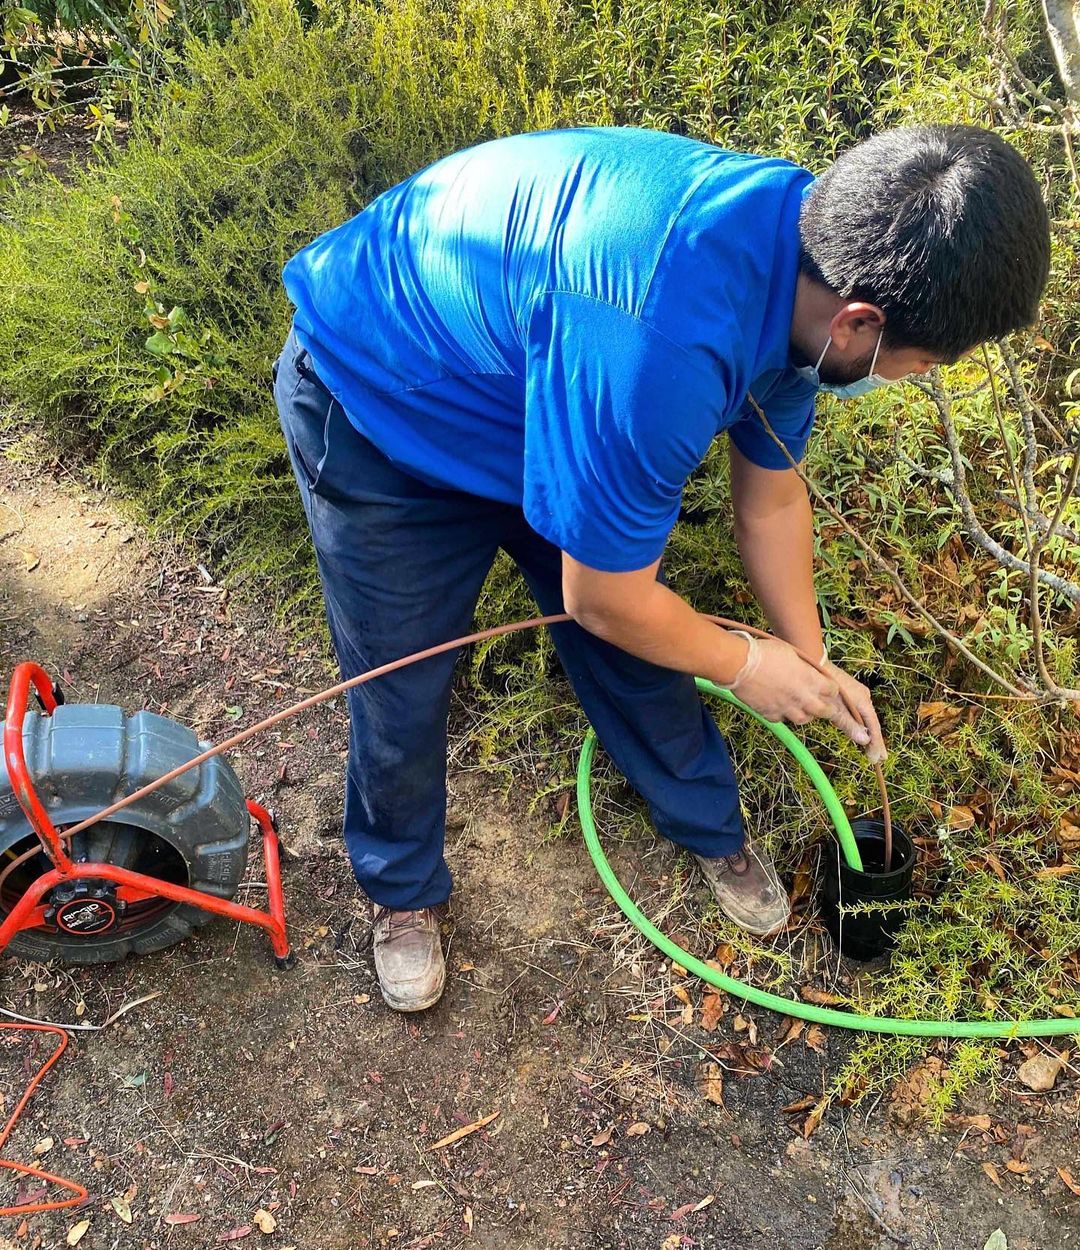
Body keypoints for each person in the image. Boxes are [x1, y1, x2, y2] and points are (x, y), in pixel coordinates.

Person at [273, 124, 1050, 1012]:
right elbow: (602, 600)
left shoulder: (812, 262)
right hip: (386, 401)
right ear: (861, 323)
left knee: (651, 648)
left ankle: (710, 829)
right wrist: (748, 664)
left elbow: (773, 500)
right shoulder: (662, 338)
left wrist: (810, 655)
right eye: (922, 365)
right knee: (400, 680)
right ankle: (403, 892)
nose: (911, 380)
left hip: (542, 392)